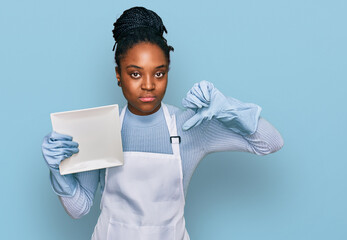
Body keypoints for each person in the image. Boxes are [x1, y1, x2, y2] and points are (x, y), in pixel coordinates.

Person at [41, 6, 284, 240]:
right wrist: (57, 171)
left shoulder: (190, 126)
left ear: (168, 71)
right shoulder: (100, 128)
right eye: (135, 73)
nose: (148, 85)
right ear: (118, 75)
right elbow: (79, 208)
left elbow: (270, 143)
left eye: (159, 73)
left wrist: (227, 107)